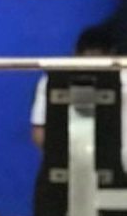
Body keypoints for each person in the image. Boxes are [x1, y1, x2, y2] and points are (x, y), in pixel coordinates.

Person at [30, 23, 127, 170]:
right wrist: (66, 159)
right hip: (70, 168)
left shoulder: (124, 78)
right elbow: (39, 132)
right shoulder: (53, 82)